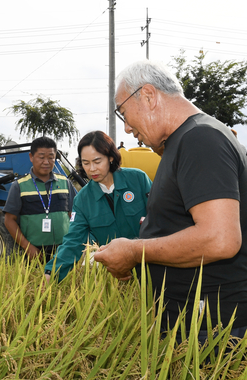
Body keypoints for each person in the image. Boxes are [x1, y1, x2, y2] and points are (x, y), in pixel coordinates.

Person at [94, 60, 247, 336]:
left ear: (149, 96)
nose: (127, 128)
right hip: (194, 322)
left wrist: (133, 251)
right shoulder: (185, 141)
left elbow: (220, 239)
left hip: (209, 329)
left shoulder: (200, 139)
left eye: (123, 113)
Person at [44, 131, 151, 282]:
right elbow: (73, 241)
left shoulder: (138, 179)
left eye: (97, 161)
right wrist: (50, 275)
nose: (92, 169)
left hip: (151, 264)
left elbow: (161, 219)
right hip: (117, 274)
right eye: (85, 163)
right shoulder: (82, 200)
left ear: (111, 157)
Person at [3, 136, 76, 261]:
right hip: (33, 253)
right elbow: (9, 220)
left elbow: (74, 214)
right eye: (41, 157)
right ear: (31, 157)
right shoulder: (19, 186)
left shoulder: (65, 183)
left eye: (51, 157)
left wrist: (72, 244)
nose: (46, 162)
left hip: (63, 252)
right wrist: (27, 247)